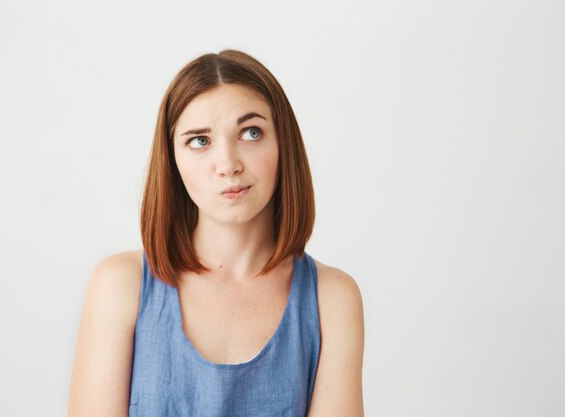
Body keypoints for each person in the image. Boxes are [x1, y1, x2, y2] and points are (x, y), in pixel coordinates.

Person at [68, 49, 364, 417]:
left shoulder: (331, 298)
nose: (228, 164)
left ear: (283, 144)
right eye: (200, 140)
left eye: (251, 133)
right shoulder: (119, 285)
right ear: (172, 160)